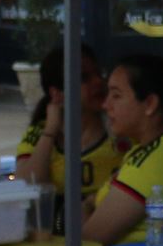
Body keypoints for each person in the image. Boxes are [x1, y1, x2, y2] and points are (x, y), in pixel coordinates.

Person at [81, 53, 163, 244]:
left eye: (116, 96)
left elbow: (88, 240)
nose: (105, 105)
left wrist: (86, 207)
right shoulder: (160, 146)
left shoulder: (157, 159)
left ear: (150, 104)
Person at [19, 43, 120, 205]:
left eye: (99, 73)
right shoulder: (40, 131)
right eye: (84, 78)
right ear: (57, 93)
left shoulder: (118, 126)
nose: (98, 82)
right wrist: (50, 131)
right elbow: (28, 186)